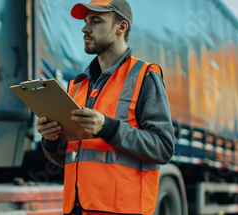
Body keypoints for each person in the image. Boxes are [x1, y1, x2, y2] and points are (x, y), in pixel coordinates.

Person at [36, 0, 175, 214]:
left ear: (121, 27)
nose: (85, 28)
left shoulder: (145, 76)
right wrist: (50, 139)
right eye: (85, 22)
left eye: (96, 21)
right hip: (76, 208)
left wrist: (107, 128)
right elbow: (71, 157)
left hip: (121, 210)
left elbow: (163, 148)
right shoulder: (77, 85)